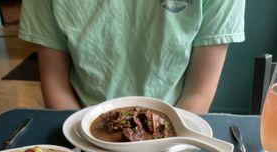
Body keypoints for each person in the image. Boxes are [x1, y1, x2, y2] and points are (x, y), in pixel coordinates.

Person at [19, 0, 245, 113]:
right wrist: (87, 135)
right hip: (79, 121)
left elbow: (199, 92)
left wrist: (162, 141)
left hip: (177, 122)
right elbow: (55, 86)